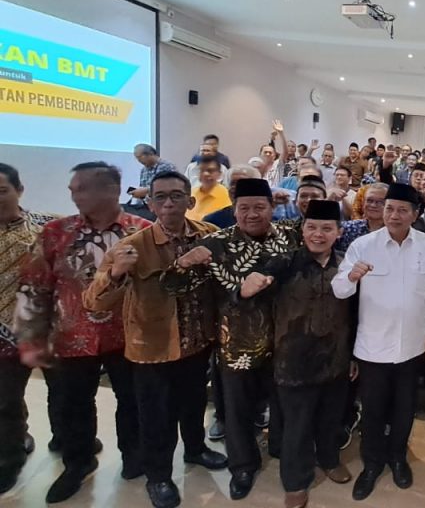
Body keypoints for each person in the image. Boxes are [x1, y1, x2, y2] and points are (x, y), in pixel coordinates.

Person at [83, 171, 227, 508]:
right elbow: (93, 302)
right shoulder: (133, 246)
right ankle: (159, 475)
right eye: (160, 196)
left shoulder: (209, 234)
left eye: (176, 195)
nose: (168, 203)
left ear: (190, 201)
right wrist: (116, 272)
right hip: (153, 349)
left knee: (194, 404)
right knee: (156, 417)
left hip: (198, 343)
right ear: (149, 204)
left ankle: (195, 449)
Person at [16, 162, 149, 503]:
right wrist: (31, 338)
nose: (73, 194)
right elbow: (34, 286)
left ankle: (135, 455)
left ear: (111, 190)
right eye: (72, 189)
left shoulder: (142, 231)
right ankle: (78, 462)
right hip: (71, 336)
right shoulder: (55, 233)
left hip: (129, 337)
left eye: (81, 188)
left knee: (133, 401)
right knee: (72, 405)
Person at [161, 178, 296, 500]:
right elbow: (171, 286)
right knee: (237, 411)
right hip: (237, 343)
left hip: (285, 341)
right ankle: (243, 466)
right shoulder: (216, 243)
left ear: (272, 208)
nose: (252, 214)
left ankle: (281, 449)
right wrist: (182, 263)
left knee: (284, 403)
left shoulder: (291, 236)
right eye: (244, 208)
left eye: (259, 207)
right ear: (234, 210)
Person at [332, 183, 425, 501]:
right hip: (372, 346)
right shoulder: (363, 245)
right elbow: (339, 290)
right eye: (389, 209)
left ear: (415, 214)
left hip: (413, 345)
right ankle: (372, 464)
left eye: (402, 210)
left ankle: (397, 458)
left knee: (404, 408)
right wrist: (351, 276)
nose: (394, 215)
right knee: (372, 409)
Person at [239, 200, 356, 508]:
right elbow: (251, 293)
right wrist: (247, 288)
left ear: (339, 232)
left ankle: (329, 460)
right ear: (302, 229)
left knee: (331, 418)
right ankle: (295, 481)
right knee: (297, 426)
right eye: (312, 227)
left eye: (327, 228)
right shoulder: (283, 263)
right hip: (293, 360)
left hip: (336, 358)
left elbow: (356, 314)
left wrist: (353, 356)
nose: (318, 234)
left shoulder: (347, 265)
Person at [0, 163, 55, 495]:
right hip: (1, 335)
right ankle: (10, 459)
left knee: (63, 396)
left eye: (2, 191)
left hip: (45, 331)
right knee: (5, 400)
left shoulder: (46, 227)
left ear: (19, 190)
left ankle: (69, 443)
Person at [335, 183, 388, 257]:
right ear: (363, 203)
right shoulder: (349, 228)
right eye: (369, 200)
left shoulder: (395, 234)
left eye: (380, 202)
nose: (373, 205)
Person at [202, 165, 261, 229]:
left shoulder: (265, 218)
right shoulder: (212, 221)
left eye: (241, 183)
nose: (235, 187)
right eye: (232, 183)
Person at [131, 144, 177, 211]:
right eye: (136, 158)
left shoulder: (166, 166)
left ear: (151, 153)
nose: (138, 160)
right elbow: (143, 187)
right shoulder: (144, 170)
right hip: (148, 207)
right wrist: (138, 193)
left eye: (139, 157)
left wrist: (146, 191)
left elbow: (167, 188)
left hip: (165, 207)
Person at [186, 155, 232, 221]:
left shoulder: (227, 196)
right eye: (202, 170)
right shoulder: (191, 193)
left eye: (210, 171)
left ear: (219, 174)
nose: (205, 174)